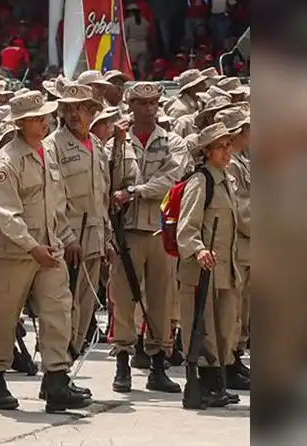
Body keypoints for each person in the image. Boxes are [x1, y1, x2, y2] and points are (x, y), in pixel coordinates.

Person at [0, 91, 91, 413]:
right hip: (14, 252)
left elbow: (56, 205)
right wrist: (32, 247)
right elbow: (5, 213)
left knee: (58, 310)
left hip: (50, 248)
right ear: (19, 123)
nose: (44, 123)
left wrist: (67, 237)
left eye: (45, 117)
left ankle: (56, 379)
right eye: (36, 118)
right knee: (5, 316)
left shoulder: (48, 152)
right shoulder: (8, 160)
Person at [108, 82, 186, 393]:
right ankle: (123, 362)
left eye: (153, 102)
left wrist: (135, 192)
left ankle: (157, 363)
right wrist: (115, 145)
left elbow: (172, 178)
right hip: (126, 231)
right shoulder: (118, 143)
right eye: (142, 103)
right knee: (123, 299)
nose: (149, 108)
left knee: (161, 298)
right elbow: (109, 180)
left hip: (159, 229)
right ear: (130, 105)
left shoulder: (173, 142)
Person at [176, 122, 245, 408]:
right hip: (202, 270)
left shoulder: (224, 179)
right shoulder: (200, 181)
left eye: (228, 144)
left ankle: (216, 382)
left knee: (224, 328)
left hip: (225, 269)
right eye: (220, 146)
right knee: (202, 329)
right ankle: (204, 384)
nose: (227, 150)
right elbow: (186, 228)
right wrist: (199, 249)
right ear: (206, 151)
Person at [43, 84, 109, 361]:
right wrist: (67, 236)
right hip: (67, 239)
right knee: (64, 305)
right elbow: (53, 197)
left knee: (85, 304)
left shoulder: (96, 146)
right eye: (67, 108)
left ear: (93, 111)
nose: (73, 114)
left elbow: (102, 197)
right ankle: (57, 365)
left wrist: (107, 239)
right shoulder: (52, 146)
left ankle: (70, 359)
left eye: (80, 108)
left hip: (93, 238)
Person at [216, 107, 252, 386]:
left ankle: (234, 358)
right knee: (234, 308)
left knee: (245, 307)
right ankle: (228, 362)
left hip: (248, 246)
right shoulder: (233, 165)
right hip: (239, 245)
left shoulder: (242, 161)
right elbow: (241, 211)